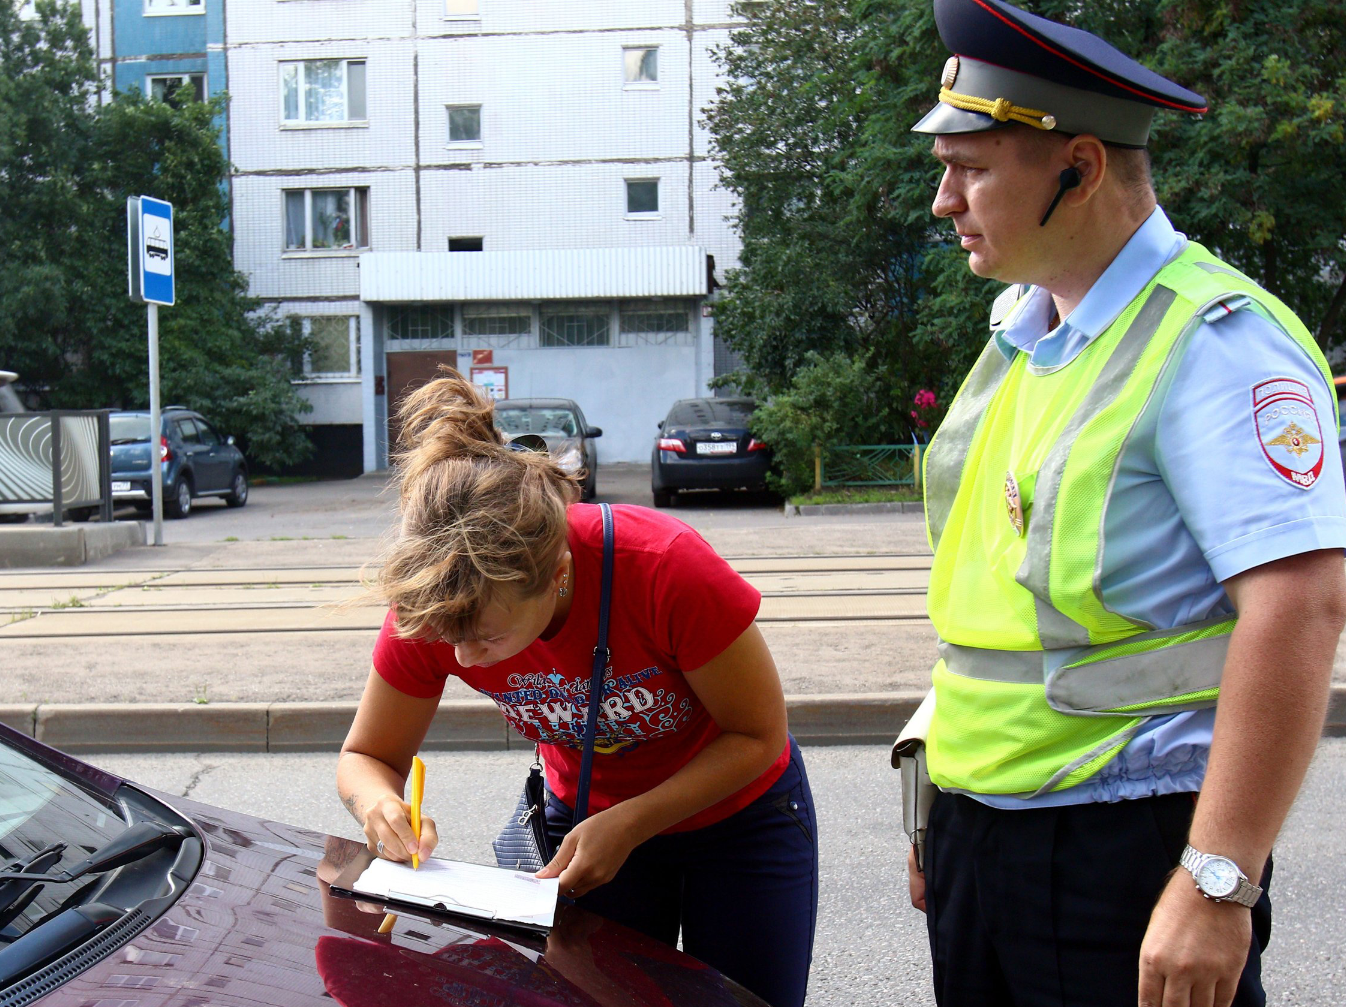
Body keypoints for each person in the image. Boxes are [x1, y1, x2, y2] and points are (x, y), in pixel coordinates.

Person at [904, 1, 1346, 1005]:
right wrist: (939, 802)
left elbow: (1301, 605)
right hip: (986, 831)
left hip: (1122, 844)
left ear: (1082, 167)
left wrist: (1219, 878)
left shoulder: (1215, 343)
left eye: (971, 166)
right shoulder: (1026, 332)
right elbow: (995, 606)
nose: (944, 200)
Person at [336, 372, 818, 1007]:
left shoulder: (662, 567)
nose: (460, 656)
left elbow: (757, 735)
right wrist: (379, 808)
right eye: (448, 635)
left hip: (738, 823)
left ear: (558, 574)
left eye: (486, 635)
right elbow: (365, 757)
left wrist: (632, 822)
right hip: (585, 831)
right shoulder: (441, 601)